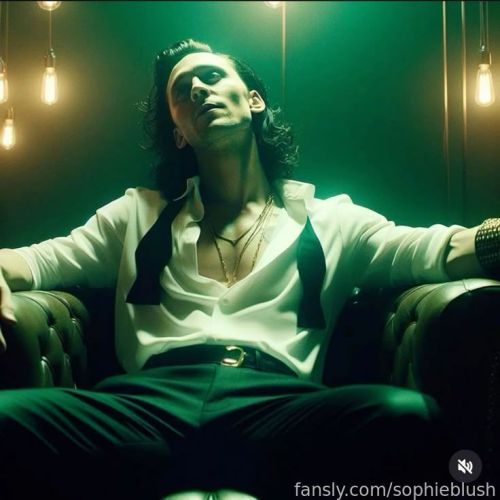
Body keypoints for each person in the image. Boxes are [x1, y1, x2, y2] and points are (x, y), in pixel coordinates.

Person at [0, 38, 498, 500]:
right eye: (182, 90)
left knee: (407, 417)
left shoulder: (331, 219)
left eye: (212, 76)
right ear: (178, 133)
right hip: (146, 406)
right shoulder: (136, 213)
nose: (198, 89)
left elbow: (440, 249)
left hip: (279, 408)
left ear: (254, 101)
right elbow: (34, 261)